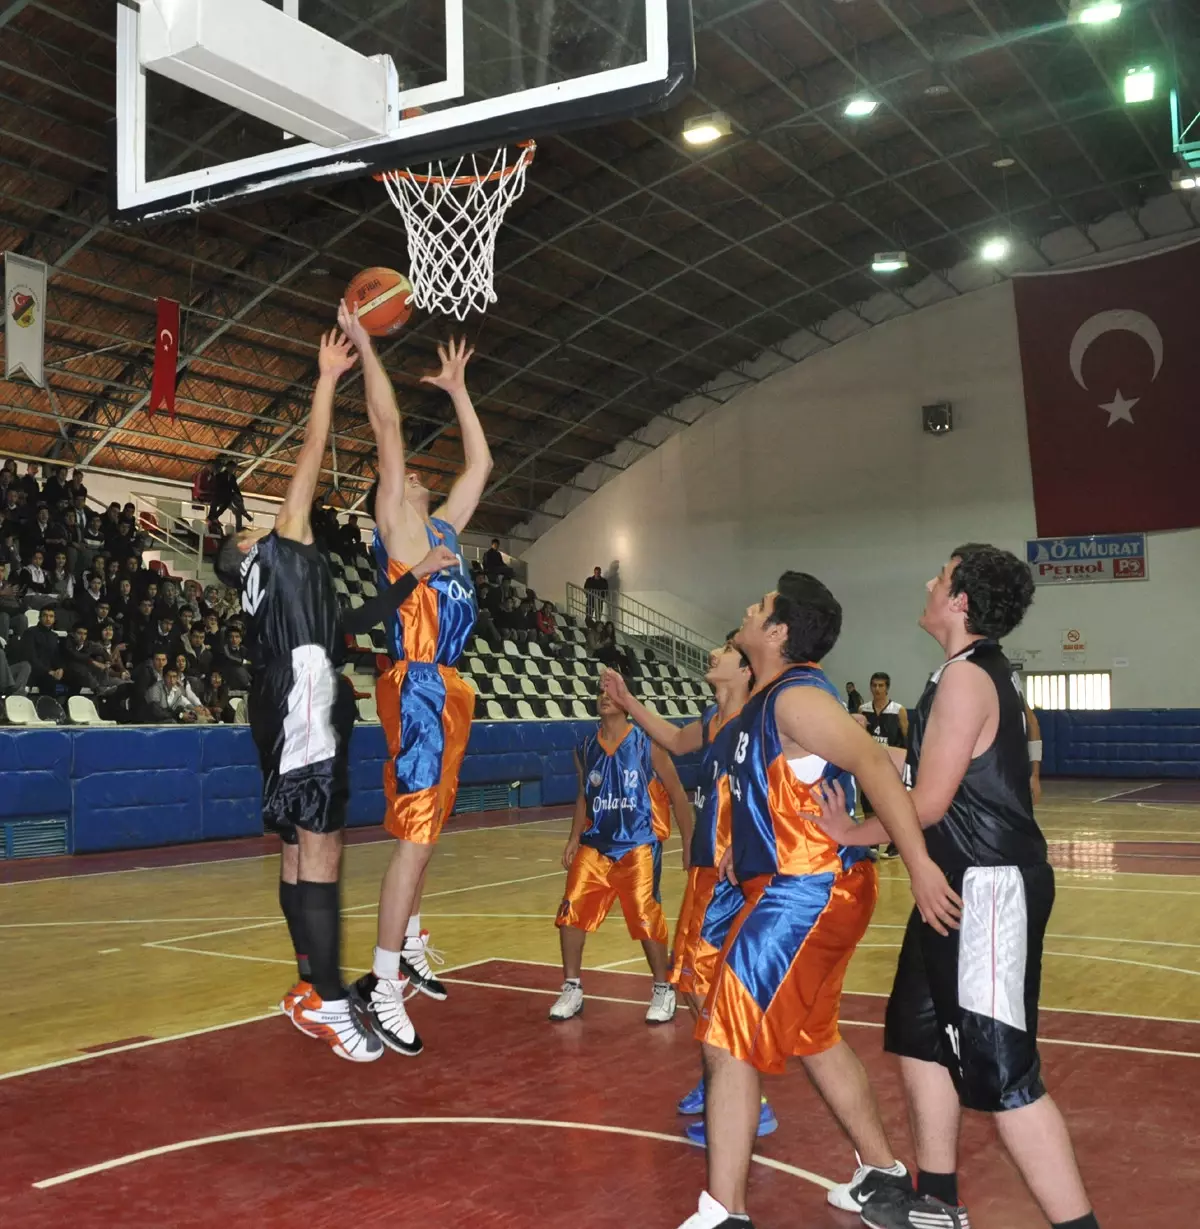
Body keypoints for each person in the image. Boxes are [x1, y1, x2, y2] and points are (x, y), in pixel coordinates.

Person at [811, 545, 1096, 1229]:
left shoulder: (968, 679)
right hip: (955, 888)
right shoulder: (962, 672)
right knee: (918, 1037)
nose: (929, 582)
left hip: (987, 892)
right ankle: (937, 1204)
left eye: (940, 576)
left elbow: (929, 800)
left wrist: (851, 831)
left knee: (1006, 1078)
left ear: (961, 600)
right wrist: (850, 742)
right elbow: (927, 764)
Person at [676, 573, 961, 1229]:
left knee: (727, 1035)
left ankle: (725, 1212)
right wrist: (745, 844)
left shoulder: (796, 699)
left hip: (807, 891)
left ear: (778, 632)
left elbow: (874, 763)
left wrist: (918, 862)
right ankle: (884, 1176)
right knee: (814, 1035)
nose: (748, 608)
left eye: (760, 606)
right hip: (801, 886)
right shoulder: (766, 701)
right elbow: (781, 794)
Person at [215, 325, 459, 1063]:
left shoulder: (284, 585)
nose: (268, 519)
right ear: (247, 550)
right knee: (322, 846)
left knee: (296, 848)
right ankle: (326, 1000)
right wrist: (326, 376)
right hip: (304, 694)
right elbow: (312, 454)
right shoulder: (279, 548)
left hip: (284, 694)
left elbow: (350, 622)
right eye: (252, 527)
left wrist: (415, 579)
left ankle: (307, 983)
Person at [337, 302, 490, 1058]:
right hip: (419, 682)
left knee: (427, 836)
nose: (419, 478)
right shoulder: (399, 526)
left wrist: (459, 391)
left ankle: (412, 940)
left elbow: (481, 467)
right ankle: (382, 980)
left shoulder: (445, 531)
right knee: (415, 836)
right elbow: (387, 426)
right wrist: (367, 345)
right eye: (406, 478)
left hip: (450, 688)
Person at [602, 637, 767, 1138]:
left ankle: (748, 1099)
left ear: (746, 670)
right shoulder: (713, 720)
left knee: (710, 984)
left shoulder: (757, 720)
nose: (714, 654)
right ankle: (717, 1076)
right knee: (692, 981)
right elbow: (674, 740)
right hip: (705, 866)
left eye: (726, 650)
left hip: (730, 873)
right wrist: (628, 701)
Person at [550, 678, 694, 1024]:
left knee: (645, 915)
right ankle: (571, 987)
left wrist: (690, 844)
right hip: (596, 844)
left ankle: (662, 988)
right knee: (570, 911)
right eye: (600, 693)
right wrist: (573, 837)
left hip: (638, 843)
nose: (605, 697)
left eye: (611, 693)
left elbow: (678, 795)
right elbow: (584, 796)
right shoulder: (585, 747)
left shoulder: (648, 743)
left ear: (627, 702)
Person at [858, 671, 909, 858]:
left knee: (891, 807)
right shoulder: (863, 709)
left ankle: (896, 844)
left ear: (887, 688)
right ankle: (873, 842)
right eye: (874, 685)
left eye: (881, 686)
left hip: (891, 765)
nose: (877, 689)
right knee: (869, 805)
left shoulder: (898, 710)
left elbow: (906, 737)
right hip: (870, 764)